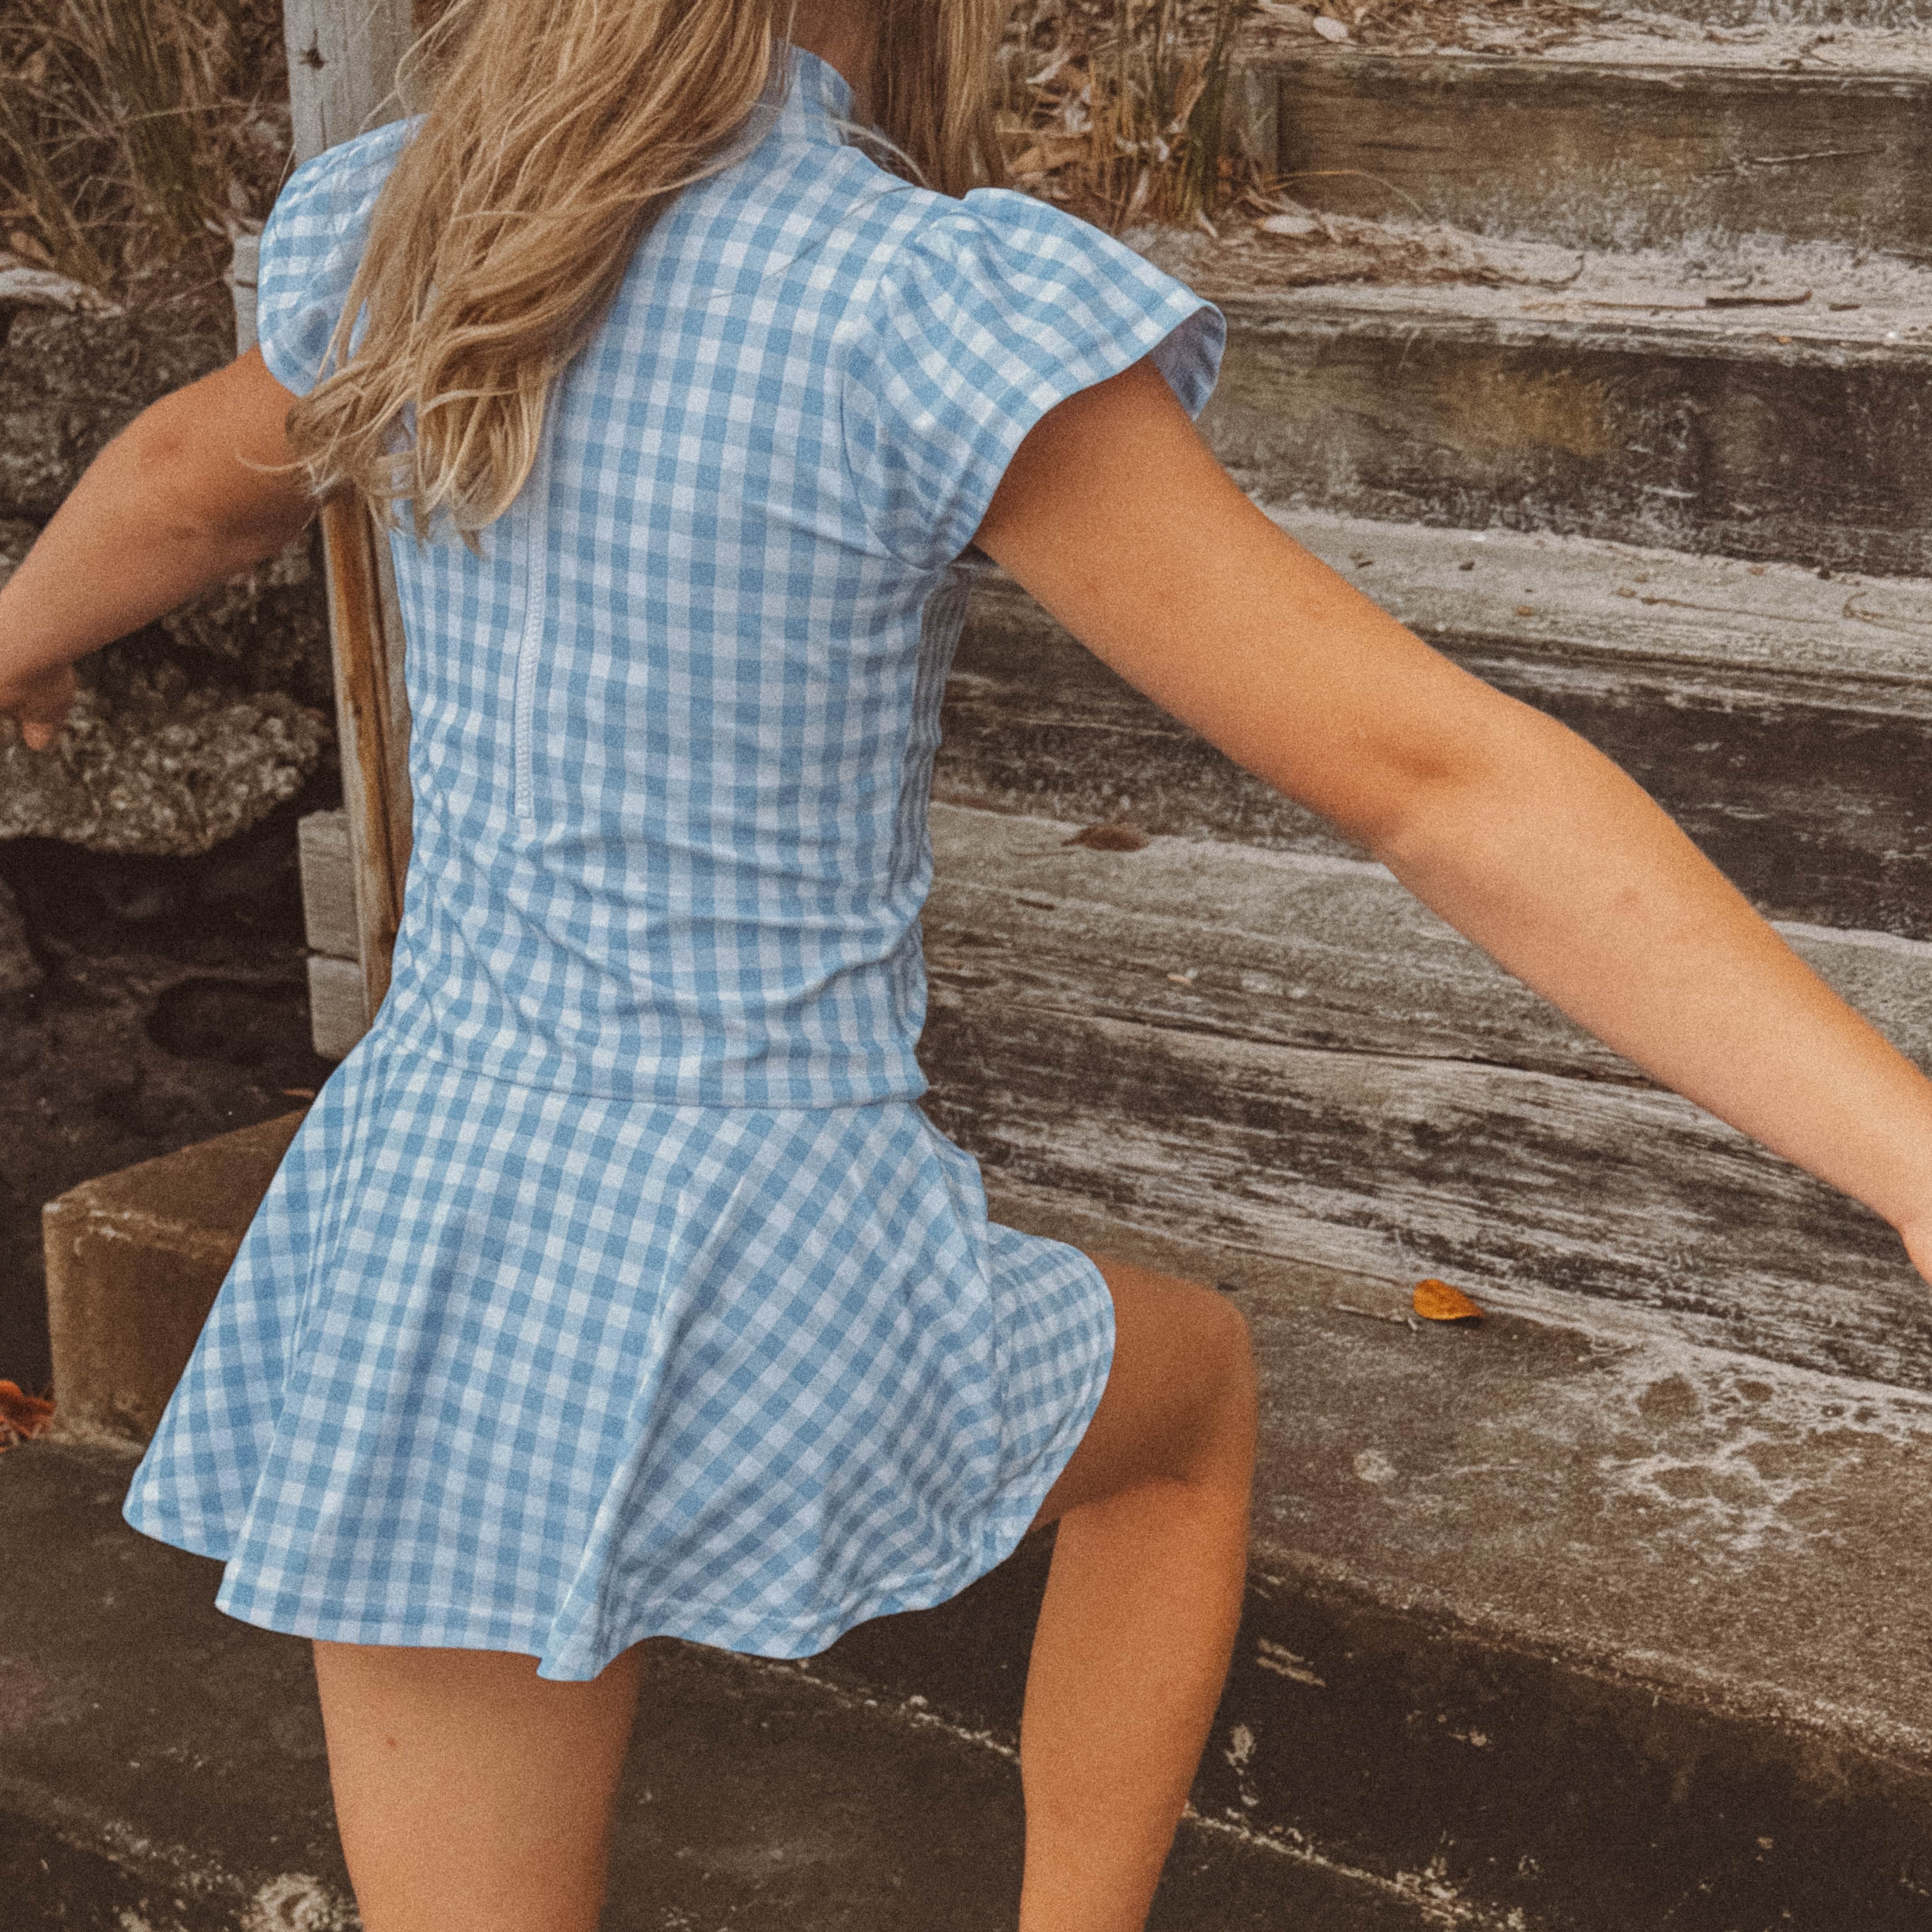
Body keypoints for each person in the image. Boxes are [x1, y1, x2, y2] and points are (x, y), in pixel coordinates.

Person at [3, 0, 1930, 1927]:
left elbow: (189, 478)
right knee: (1189, 1408)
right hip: (768, 1232)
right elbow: (1436, 782)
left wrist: (16, 638)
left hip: (437, 1214)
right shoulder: (906, 304)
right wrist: (1903, 1151)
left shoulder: (417, 232)